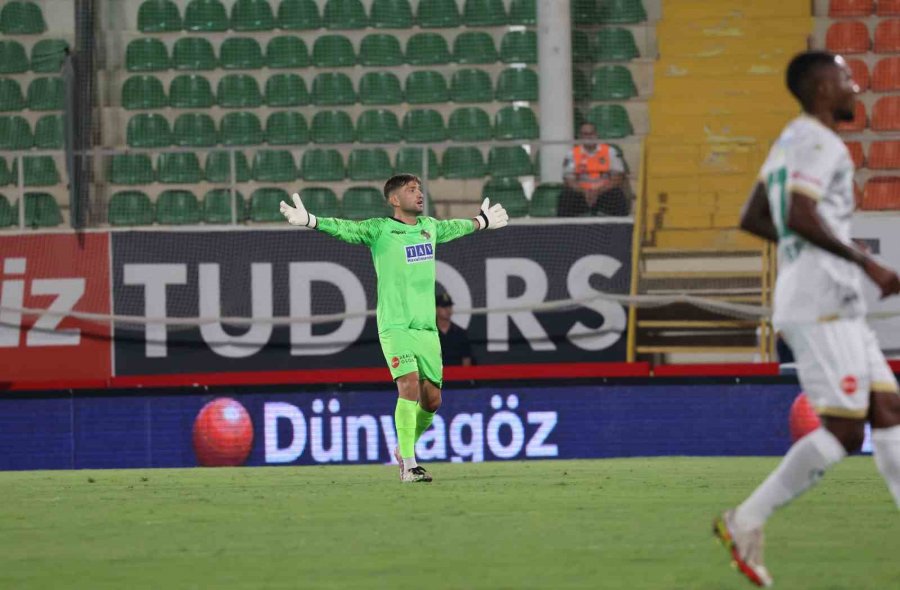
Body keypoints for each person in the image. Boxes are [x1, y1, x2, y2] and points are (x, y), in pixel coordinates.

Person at [714, 50, 900, 587]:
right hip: (821, 305)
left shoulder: (790, 140)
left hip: (829, 299)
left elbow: (755, 217)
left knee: (887, 408)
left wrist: (815, 251)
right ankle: (744, 520)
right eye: (845, 79)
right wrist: (868, 262)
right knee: (843, 432)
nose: (856, 86)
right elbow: (797, 213)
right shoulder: (821, 142)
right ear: (822, 90)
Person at [280, 175, 508, 483]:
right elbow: (347, 229)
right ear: (394, 200)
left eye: (419, 189)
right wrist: (311, 220)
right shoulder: (380, 230)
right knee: (409, 386)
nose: (419, 194)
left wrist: (481, 221)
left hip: (426, 329)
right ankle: (410, 466)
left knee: (432, 400)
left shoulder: (430, 227)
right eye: (411, 190)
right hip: (395, 325)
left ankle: (404, 449)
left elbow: (456, 227)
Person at [557, 122, 629, 217]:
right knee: (566, 197)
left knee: (617, 195)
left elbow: (617, 177)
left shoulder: (609, 151)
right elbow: (569, 180)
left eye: (591, 134)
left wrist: (598, 191)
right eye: (585, 134)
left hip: (604, 193)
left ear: (596, 135)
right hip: (582, 194)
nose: (589, 137)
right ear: (580, 136)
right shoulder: (572, 154)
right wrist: (584, 192)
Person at [435, 291, 472, 367]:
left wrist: (464, 377)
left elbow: (466, 359)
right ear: (436, 309)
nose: (448, 310)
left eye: (450, 306)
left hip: (457, 377)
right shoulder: (429, 333)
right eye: (444, 307)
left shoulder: (461, 333)